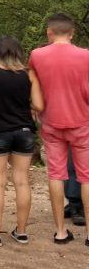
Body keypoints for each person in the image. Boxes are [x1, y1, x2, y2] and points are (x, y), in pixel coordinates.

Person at [0, 36, 44, 246]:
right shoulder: (29, 74)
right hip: (24, 131)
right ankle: (21, 232)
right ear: (19, 52)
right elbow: (39, 106)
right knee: (22, 180)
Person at [29, 13, 89, 245]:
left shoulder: (36, 55)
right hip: (82, 122)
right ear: (72, 33)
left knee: (56, 174)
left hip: (51, 123)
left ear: (49, 32)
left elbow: (33, 84)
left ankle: (61, 232)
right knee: (86, 177)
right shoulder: (86, 55)